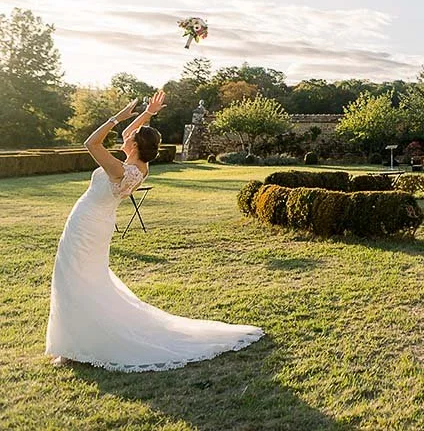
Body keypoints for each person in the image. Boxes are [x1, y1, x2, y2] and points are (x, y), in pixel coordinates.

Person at [46, 92, 263, 370]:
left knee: (74, 277)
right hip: (97, 225)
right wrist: (148, 113)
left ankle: (76, 345)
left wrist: (116, 117)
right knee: (86, 278)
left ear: (134, 146)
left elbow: (91, 143)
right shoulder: (139, 167)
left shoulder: (119, 170)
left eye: (131, 135)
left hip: (87, 224)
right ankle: (75, 342)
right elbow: (129, 133)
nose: (126, 134)